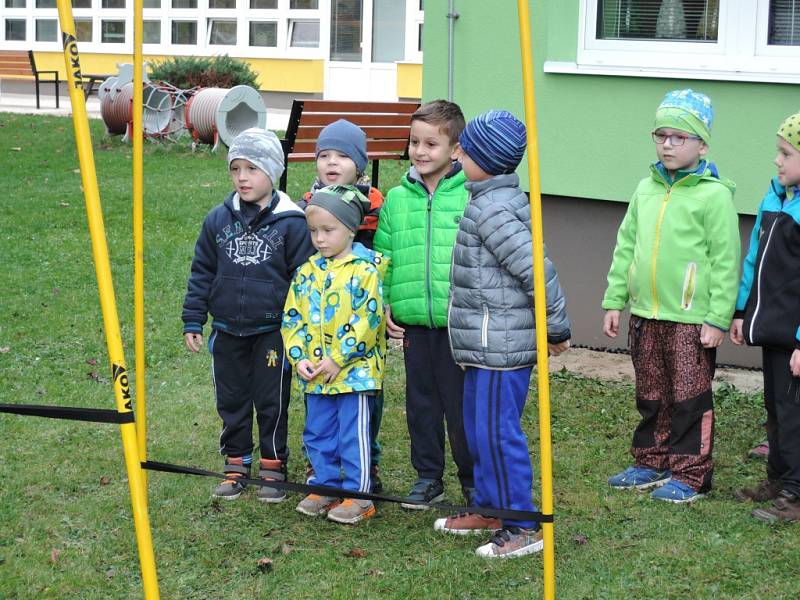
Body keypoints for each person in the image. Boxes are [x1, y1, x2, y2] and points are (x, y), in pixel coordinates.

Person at [433, 110, 571, 558]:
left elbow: (536, 268)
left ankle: (523, 523)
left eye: (465, 148)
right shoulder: (485, 200)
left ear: (486, 160)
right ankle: (490, 509)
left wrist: (555, 324)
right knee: (478, 430)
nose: (457, 152)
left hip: (502, 348)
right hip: (483, 345)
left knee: (497, 433)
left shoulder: (494, 209)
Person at [601, 89, 740, 503]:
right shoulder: (645, 189)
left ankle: (691, 473)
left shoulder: (713, 196)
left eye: (679, 137)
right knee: (651, 392)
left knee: (689, 396)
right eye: (661, 135)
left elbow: (725, 262)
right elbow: (626, 245)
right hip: (646, 314)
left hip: (690, 320)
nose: (667, 144)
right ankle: (650, 460)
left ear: (702, 144)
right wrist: (614, 300)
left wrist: (716, 318)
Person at [182, 128, 315, 502]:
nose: (242, 177)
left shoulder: (293, 222)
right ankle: (236, 462)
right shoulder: (217, 220)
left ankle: (273, 465)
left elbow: (303, 278)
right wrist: (194, 318)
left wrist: (301, 327)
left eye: (252, 169)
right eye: (235, 169)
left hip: (273, 332)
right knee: (232, 398)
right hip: (227, 331)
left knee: (271, 401)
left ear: (272, 172)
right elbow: (202, 271)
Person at [373, 99, 474, 508]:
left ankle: (472, 481)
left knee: (461, 408)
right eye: (415, 142)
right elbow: (383, 255)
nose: (419, 151)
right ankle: (428, 476)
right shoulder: (398, 199)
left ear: (455, 149)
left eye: (431, 144)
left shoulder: (469, 193)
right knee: (421, 405)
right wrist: (384, 302)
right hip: (415, 322)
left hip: (458, 324)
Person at [282, 184, 387, 525]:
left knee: (351, 434)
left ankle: (359, 495)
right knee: (317, 431)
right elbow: (292, 318)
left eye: (329, 230)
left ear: (351, 229)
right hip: (316, 375)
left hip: (353, 375)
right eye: (314, 231)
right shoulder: (306, 272)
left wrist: (338, 359)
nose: (320, 239)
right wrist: (300, 358)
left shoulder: (364, 270)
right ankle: (324, 485)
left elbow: (367, 322)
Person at [296, 118, 385, 492]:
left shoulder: (374, 213)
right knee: (320, 420)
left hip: (356, 356)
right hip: (317, 344)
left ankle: (364, 474)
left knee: (361, 418)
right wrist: (300, 350)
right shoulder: (306, 214)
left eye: (343, 156)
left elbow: (371, 307)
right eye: (324, 155)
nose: (332, 162)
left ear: (359, 165)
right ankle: (323, 475)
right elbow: (295, 309)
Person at [731, 111, 800, 523]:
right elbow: (754, 260)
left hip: (794, 339)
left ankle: (796, 493)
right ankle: (778, 478)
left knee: (794, 414)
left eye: (786, 153)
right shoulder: (775, 197)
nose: (777, 161)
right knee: (776, 407)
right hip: (772, 328)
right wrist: (742, 310)